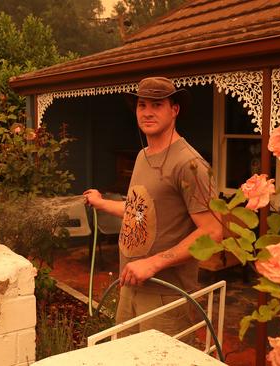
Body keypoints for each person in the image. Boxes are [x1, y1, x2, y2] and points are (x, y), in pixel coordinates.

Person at [84, 76, 223, 341]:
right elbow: (139, 211)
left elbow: (213, 231)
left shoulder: (189, 164)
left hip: (166, 294)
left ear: (175, 110)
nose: (147, 112)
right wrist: (101, 203)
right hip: (131, 287)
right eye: (142, 105)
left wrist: (154, 263)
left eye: (157, 105)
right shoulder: (142, 155)